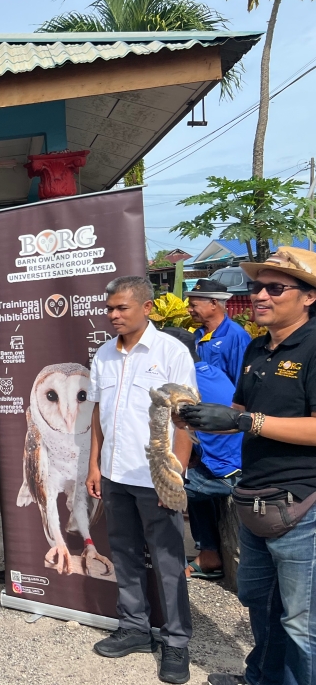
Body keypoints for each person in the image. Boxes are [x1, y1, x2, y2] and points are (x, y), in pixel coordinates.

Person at [181, 247, 316, 685]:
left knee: (302, 623)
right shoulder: (257, 347)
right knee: (260, 602)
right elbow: (242, 409)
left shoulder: (313, 347)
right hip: (254, 496)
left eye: (275, 288)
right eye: (257, 286)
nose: (259, 295)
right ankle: (261, 678)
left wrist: (243, 420)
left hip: (303, 505)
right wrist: (203, 416)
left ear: (309, 297)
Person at [84, 276, 195, 683]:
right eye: (109, 309)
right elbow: (97, 414)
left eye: (121, 308)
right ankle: (133, 627)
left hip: (156, 477)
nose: (113, 315)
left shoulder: (171, 352)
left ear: (147, 308)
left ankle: (177, 642)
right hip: (114, 475)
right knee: (125, 554)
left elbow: (185, 420)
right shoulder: (104, 355)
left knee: (168, 562)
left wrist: (174, 476)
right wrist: (94, 466)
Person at [160, 328, 240, 582]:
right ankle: (208, 554)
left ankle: (161, 563)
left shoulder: (182, 386)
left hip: (222, 474)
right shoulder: (212, 372)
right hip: (234, 465)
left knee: (143, 488)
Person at [186, 279, 251, 386]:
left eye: (193, 305)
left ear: (213, 303)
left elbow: (242, 381)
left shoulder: (236, 336)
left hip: (223, 402)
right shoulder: (198, 334)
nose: (189, 310)